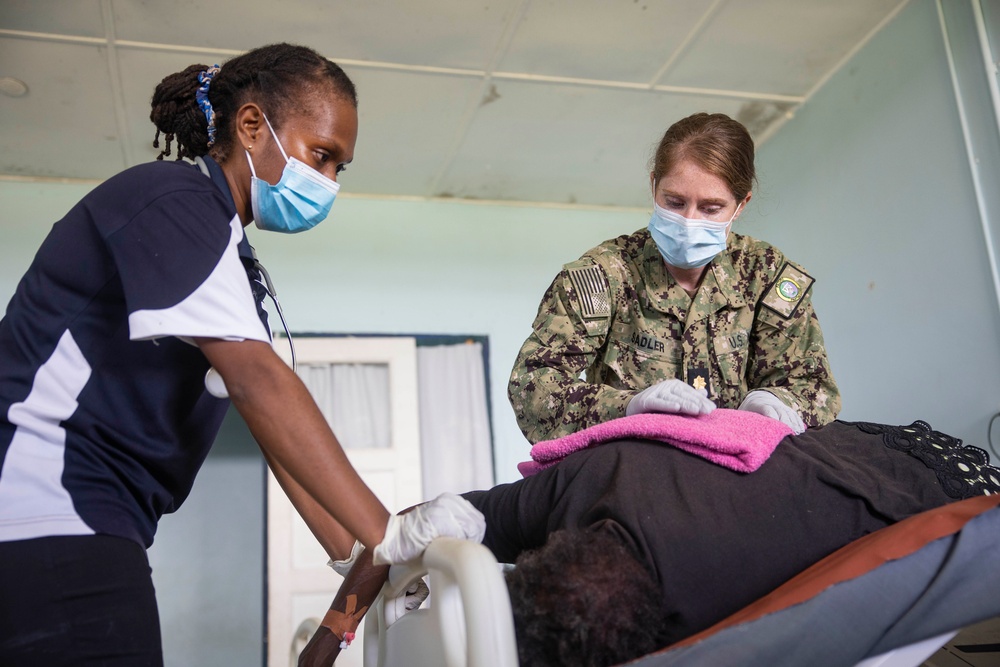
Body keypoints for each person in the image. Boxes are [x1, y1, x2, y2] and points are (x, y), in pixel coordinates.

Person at [0, 43, 483, 666]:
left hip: (89, 514)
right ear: (251, 126)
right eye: (322, 156)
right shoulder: (172, 201)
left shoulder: (228, 260)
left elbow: (273, 435)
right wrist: (383, 529)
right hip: (40, 497)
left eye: (341, 168)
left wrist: (359, 560)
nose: (330, 183)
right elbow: (258, 381)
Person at [298, 416, 1000, 667]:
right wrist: (325, 643)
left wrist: (321, 649)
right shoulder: (587, 481)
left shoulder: (700, 626)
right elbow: (407, 530)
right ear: (539, 551)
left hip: (932, 496)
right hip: (869, 444)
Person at [508, 112, 840, 444]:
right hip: (632, 473)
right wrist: (627, 407)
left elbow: (812, 386)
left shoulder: (764, 274)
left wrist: (774, 402)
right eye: (675, 202)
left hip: (739, 475)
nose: (688, 222)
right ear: (654, 186)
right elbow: (533, 385)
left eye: (711, 208)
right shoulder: (604, 276)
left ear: (741, 205)